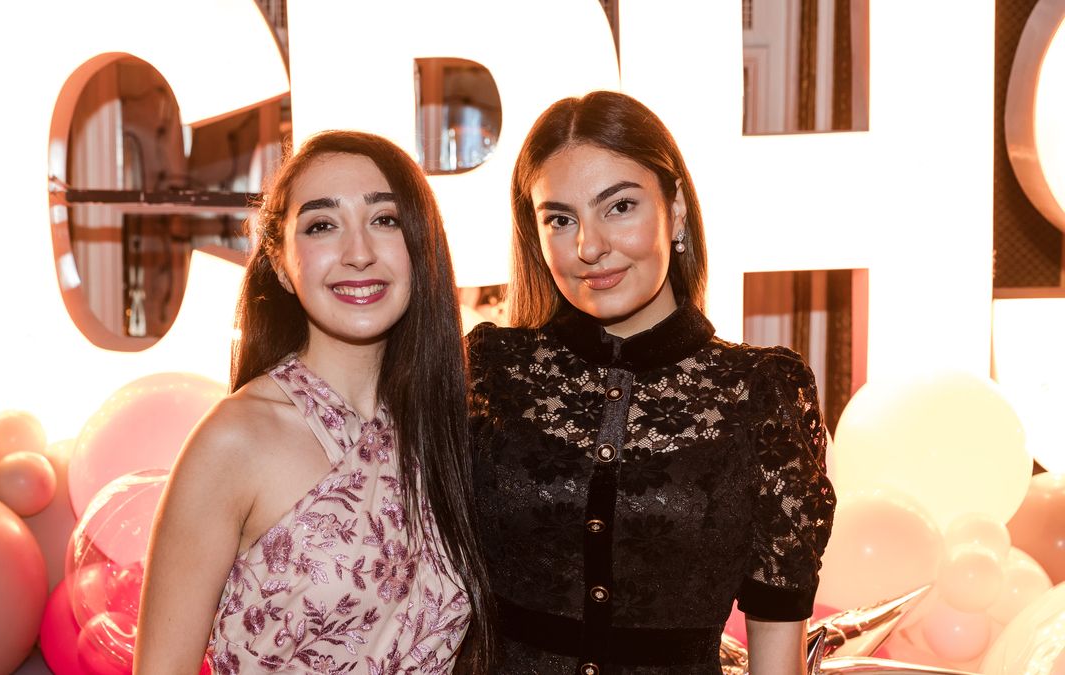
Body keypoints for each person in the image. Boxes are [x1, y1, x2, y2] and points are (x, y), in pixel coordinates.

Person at [466, 91, 836, 674]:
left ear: (677, 210)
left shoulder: (762, 392)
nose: (589, 247)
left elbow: (776, 646)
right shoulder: (491, 372)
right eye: (560, 219)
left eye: (619, 207)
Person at [135, 131, 492, 675]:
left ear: (422, 246)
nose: (359, 253)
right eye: (323, 225)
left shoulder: (448, 431)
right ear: (280, 263)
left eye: (386, 220)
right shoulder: (235, 440)